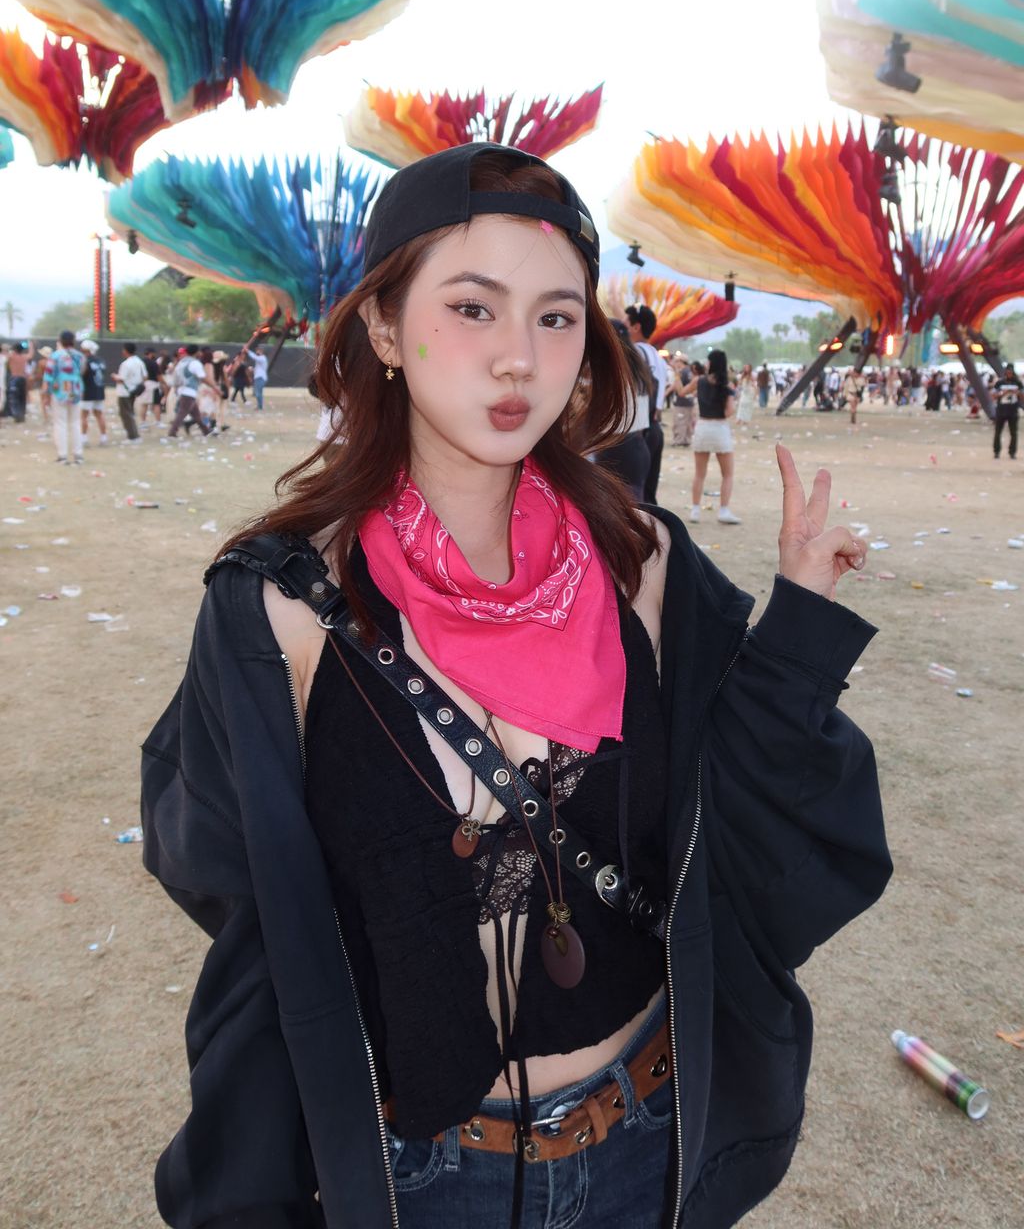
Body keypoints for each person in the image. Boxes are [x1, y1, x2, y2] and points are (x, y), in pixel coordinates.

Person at [141, 142, 890, 1229]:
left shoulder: (640, 561)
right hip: (425, 1177)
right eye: (472, 308)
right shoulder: (283, 610)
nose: (519, 360)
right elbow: (251, 913)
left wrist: (798, 633)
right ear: (384, 327)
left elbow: (744, 823)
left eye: (556, 317)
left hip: (646, 1139)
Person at [675, 348, 741, 525]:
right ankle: (724, 510)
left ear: (711, 363)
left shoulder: (699, 380)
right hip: (720, 429)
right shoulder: (727, 385)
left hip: (703, 427)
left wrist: (676, 375)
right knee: (727, 474)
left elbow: (681, 392)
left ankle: (695, 510)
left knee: (699, 474)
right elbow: (729, 411)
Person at [593, 319, 655, 501]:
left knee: (611, 506)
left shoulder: (610, 369)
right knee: (634, 506)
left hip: (615, 447)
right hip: (637, 446)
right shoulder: (639, 369)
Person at [624, 305, 667, 505]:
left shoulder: (636, 352)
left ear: (636, 327)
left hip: (640, 430)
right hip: (653, 427)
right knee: (648, 496)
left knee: (634, 498)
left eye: (625, 324)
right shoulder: (657, 355)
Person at [43, 331, 85, 463]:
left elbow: (48, 376)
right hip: (76, 391)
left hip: (60, 392)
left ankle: (62, 455)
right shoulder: (80, 356)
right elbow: (82, 372)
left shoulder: (55, 356)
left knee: (60, 424)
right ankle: (78, 455)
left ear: (60, 341)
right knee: (75, 423)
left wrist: (46, 394)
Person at [166, 344, 218, 438]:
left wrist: (177, 388)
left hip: (182, 390)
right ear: (197, 352)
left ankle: (206, 431)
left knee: (196, 415)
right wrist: (215, 387)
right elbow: (202, 377)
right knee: (182, 413)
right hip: (189, 391)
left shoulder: (181, 362)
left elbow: (176, 378)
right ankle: (172, 432)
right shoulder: (195, 363)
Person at [115, 342, 147, 442]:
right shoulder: (140, 362)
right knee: (130, 413)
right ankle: (133, 434)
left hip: (124, 392)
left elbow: (121, 379)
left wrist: (114, 377)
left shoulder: (126, 364)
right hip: (134, 390)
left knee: (126, 414)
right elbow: (145, 376)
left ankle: (133, 436)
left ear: (125, 351)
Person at [79, 339, 109, 445]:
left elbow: (81, 374)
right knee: (99, 414)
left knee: (84, 415)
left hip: (87, 391)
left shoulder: (85, 361)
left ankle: (84, 438)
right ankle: (104, 437)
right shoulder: (101, 361)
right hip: (99, 391)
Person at [993, 363, 1022, 459]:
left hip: (1013, 411)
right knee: (998, 432)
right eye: (1008, 372)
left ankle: (1012, 452)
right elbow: (993, 395)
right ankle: (996, 451)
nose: (1009, 374)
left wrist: (1017, 393)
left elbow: (1022, 396)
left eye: (1011, 373)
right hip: (1001, 410)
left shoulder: (1018, 383)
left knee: (1013, 433)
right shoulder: (1000, 383)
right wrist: (1002, 393)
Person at [249, 345, 269, 410]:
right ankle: (259, 406)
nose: (256, 352)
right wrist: (253, 369)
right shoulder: (260, 359)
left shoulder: (262, 358)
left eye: (257, 350)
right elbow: (259, 369)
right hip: (258, 377)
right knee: (258, 393)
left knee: (258, 393)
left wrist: (247, 351)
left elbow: (254, 357)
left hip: (260, 377)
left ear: (261, 351)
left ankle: (260, 406)